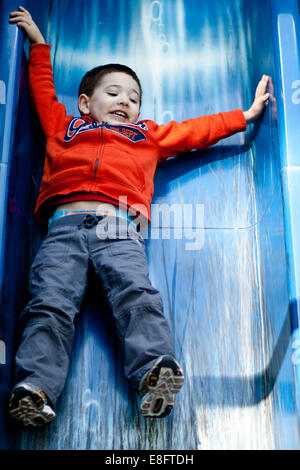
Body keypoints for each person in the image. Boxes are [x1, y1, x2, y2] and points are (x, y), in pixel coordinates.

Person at [8, 6, 270, 427]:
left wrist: (245, 116)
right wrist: (39, 45)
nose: (125, 102)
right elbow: (42, 93)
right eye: (113, 93)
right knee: (50, 304)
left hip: (118, 225)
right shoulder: (63, 127)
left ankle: (154, 373)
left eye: (133, 99)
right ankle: (35, 389)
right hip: (63, 227)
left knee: (135, 293)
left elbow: (194, 131)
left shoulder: (146, 136)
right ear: (84, 103)